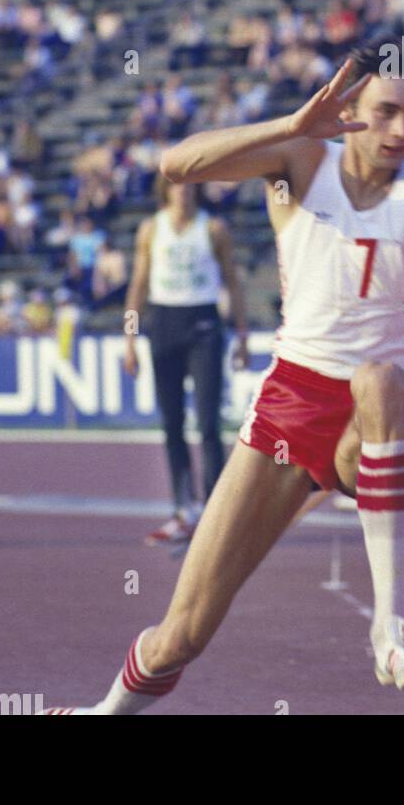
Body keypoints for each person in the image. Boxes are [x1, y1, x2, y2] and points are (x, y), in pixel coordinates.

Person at [44, 47, 404, 711]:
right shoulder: (302, 160)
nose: (400, 131)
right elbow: (176, 165)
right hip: (291, 406)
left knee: (379, 378)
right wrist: (291, 124)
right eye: (385, 112)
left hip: (384, 417)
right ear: (351, 110)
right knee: (181, 635)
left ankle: (389, 626)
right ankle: (103, 714)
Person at [124, 177, 248, 545]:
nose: (183, 190)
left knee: (209, 423)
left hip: (204, 324)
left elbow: (233, 281)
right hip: (163, 324)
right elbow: (138, 284)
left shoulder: (213, 228)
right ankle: (183, 509)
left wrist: (241, 334)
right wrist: (129, 337)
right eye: (176, 185)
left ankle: (215, 513)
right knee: (172, 423)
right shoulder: (151, 229)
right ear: (165, 189)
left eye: (189, 184)